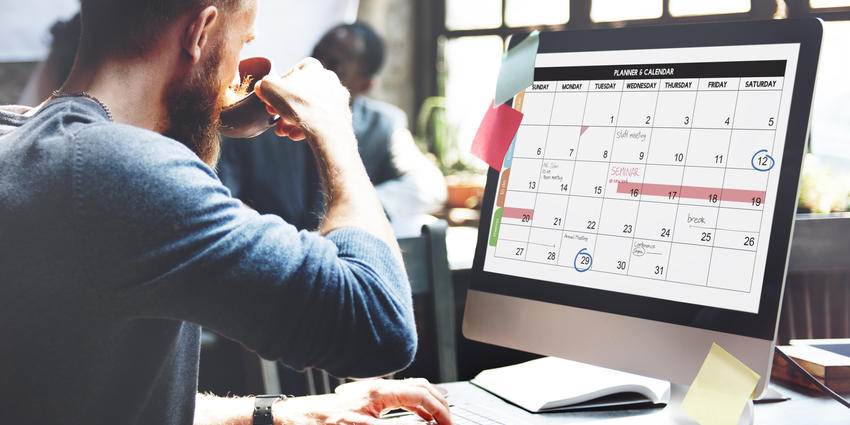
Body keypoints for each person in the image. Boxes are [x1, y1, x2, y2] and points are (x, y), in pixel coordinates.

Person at [0, 1, 451, 424]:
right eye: (245, 42)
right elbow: (379, 325)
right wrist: (332, 126)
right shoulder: (121, 169)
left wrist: (273, 413)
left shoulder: (18, 139)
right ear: (201, 31)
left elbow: (87, 400)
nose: (242, 67)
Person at [218, 22, 447, 234]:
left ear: (364, 84)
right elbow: (222, 196)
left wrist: (353, 210)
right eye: (316, 55)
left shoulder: (384, 124)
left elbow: (430, 187)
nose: (318, 68)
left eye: (335, 64)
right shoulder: (260, 118)